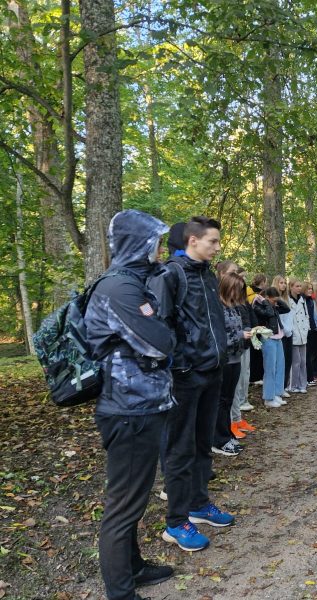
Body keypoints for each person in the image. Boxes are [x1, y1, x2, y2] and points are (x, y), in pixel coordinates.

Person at [85, 209, 176, 600]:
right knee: (123, 504)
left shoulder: (134, 283)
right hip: (128, 409)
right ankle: (120, 591)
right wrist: (158, 328)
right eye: (154, 240)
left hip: (142, 404)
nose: (159, 248)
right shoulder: (119, 289)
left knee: (134, 497)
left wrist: (155, 321)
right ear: (137, 243)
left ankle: (133, 567)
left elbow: (156, 333)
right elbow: (161, 341)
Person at [149, 216, 234, 552]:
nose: (217, 247)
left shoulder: (208, 275)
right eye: (212, 241)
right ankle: (175, 522)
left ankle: (199, 505)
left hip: (212, 372)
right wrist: (180, 365)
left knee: (202, 443)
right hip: (184, 378)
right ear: (193, 241)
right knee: (179, 448)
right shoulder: (170, 275)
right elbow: (159, 326)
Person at [212, 272, 251, 456]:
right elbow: (219, 336)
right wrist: (240, 335)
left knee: (228, 399)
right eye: (237, 289)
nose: (239, 293)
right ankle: (218, 439)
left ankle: (226, 434)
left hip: (236, 357)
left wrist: (247, 332)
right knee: (221, 400)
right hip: (224, 360)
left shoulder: (233, 307)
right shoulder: (217, 307)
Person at [253, 286, 291, 407]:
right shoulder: (259, 306)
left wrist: (277, 300)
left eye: (276, 300)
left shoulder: (274, 305)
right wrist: (265, 302)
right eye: (273, 300)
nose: (275, 303)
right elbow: (268, 313)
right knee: (270, 369)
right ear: (267, 298)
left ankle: (277, 393)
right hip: (268, 339)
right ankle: (268, 398)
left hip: (278, 338)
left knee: (280, 367)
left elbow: (287, 309)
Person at [288, 277, 310, 393]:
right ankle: (293, 385)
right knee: (295, 362)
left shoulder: (302, 300)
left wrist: (306, 329)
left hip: (303, 333)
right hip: (293, 334)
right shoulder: (287, 300)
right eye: (297, 286)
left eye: (300, 286)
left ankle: (303, 384)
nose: (299, 288)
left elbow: (306, 316)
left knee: (303, 361)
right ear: (291, 287)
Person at [272, 275, 293, 394]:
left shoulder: (287, 299)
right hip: (279, 333)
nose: (284, 285)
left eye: (285, 283)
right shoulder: (273, 299)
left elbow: (290, 315)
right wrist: (284, 329)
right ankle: (277, 388)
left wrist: (289, 330)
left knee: (288, 360)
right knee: (279, 362)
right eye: (281, 283)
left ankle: (284, 386)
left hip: (289, 333)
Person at [247, 274, 267, 385]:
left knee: (256, 351)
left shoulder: (249, 291)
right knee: (256, 352)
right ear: (262, 282)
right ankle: (255, 377)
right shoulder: (254, 295)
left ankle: (255, 376)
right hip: (256, 325)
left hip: (255, 325)